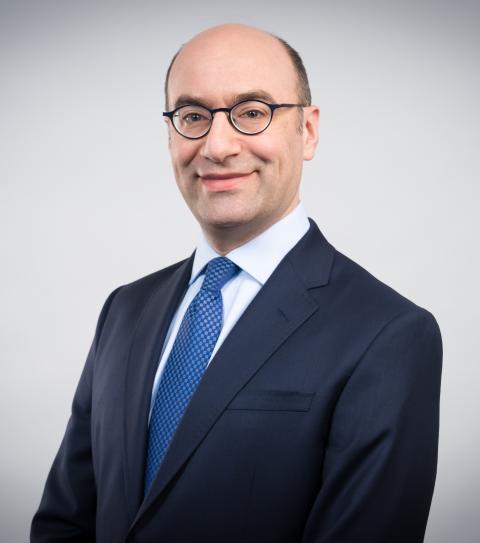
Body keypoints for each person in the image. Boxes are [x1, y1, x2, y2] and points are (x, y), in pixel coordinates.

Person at [31, 23, 442, 543]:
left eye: (252, 112)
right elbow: (65, 522)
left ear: (308, 131)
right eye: (193, 116)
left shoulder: (389, 334)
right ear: (170, 133)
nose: (217, 145)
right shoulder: (125, 310)